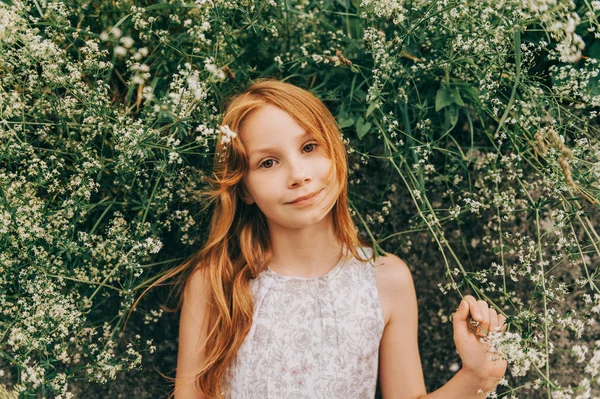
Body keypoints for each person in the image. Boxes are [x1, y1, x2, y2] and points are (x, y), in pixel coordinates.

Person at [171, 79, 508, 398]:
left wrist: (478, 377)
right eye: (268, 162)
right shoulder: (215, 284)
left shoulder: (386, 279)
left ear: (335, 151)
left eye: (309, 147)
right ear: (244, 187)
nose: (298, 175)